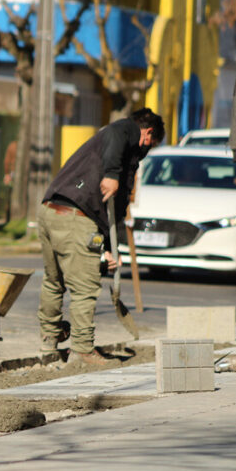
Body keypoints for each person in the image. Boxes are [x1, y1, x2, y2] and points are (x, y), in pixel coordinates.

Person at [37, 108, 165, 365]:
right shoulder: (125, 131)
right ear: (148, 133)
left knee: (54, 281)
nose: (147, 150)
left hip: (49, 211)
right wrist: (111, 175)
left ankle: (49, 342)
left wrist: (107, 248)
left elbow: (113, 211)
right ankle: (82, 351)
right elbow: (119, 131)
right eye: (151, 144)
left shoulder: (107, 150)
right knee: (85, 287)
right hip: (77, 216)